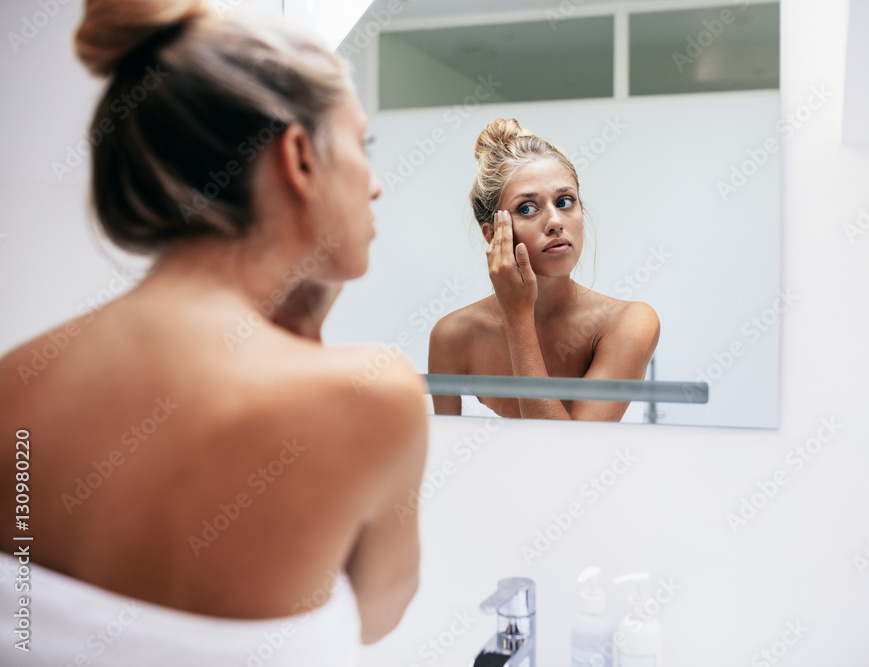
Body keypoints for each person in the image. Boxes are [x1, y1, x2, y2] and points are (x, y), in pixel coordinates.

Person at [0, 1, 427, 664]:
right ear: (299, 157)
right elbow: (377, 615)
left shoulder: (13, 381)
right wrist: (306, 348)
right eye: (361, 145)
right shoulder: (374, 394)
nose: (374, 185)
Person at [429, 118, 660, 421]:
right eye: (527, 208)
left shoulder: (630, 323)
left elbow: (565, 457)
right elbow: (446, 462)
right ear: (492, 234)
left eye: (565, 201)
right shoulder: (452, 337)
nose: (555, 222)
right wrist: (517, 316)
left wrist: (518, 320)